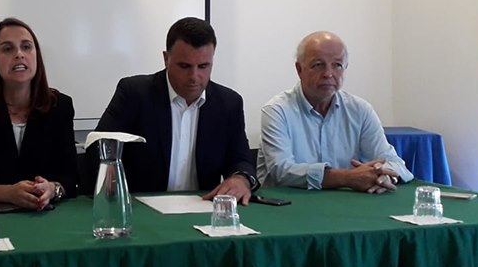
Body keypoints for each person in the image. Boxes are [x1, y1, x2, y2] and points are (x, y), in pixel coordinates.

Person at [93, 17, 258, 204]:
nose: (194, 76)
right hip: (141, 208)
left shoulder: (228, 103)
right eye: (184, 66)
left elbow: (241, 159)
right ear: (166, 59)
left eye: (203, 66)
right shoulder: (134, 94)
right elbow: (99, 147)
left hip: (202, 208)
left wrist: (241, 179)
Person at [257, 31, 413, 193]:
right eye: (318, 65)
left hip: (347, 204)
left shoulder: (360, 110)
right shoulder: (277, 110)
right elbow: (282, 172)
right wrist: (348, 177)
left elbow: (395, 163)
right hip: (288, 203)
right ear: (299, 69)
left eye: (337, 65)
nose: (328, 74)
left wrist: (383, 175)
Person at [0, 17, 78, 211]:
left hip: (45, 217)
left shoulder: (59, 107)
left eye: (26, 47)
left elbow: (71, 177)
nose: (19, 54)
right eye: (8, 49)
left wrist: (52, 189)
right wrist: (8, 193)